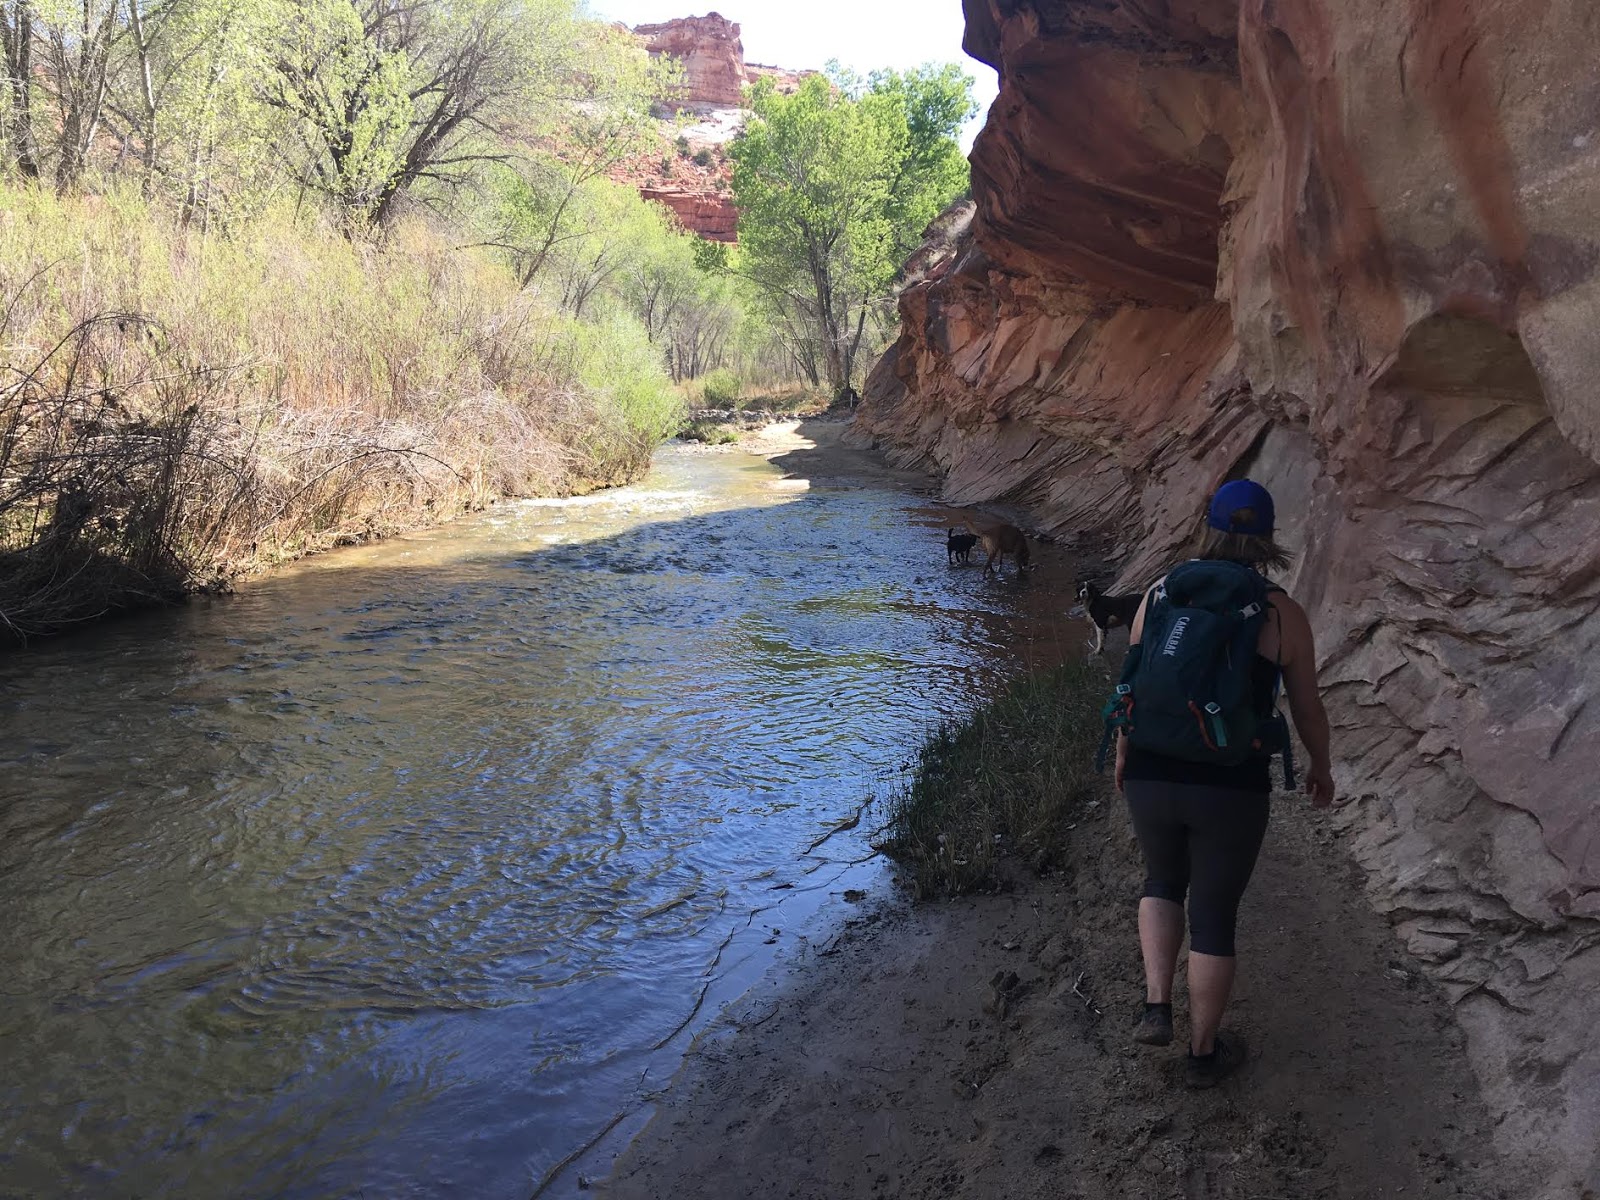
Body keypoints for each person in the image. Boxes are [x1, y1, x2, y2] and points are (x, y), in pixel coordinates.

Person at [1113, 479, 1343, 1088]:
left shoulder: (1162, 592)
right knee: (1213, 913)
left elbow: (1132, 683)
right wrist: (1321, 767)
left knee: (1162, 881)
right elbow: (1307, 707)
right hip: (1230, 783)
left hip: (1151, 768)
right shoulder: (1279, 611)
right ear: (1267, 537)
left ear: (1207, 525)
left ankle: (1156, 1004)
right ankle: (1202, 1054)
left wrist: (1122, 752)